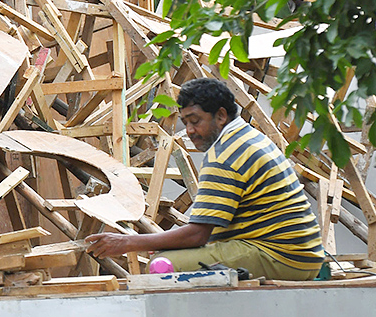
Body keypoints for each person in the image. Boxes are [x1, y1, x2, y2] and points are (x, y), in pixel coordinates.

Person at [87, 77, 323, 280]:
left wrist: (129, 242)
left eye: (195, 120)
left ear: (221, 116)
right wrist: (160, 241)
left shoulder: (225, 153)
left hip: (280, 256)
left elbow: (198, 234)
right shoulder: (249, 137)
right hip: (302, 255)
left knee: (162, 265)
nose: (189, 130)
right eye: (185, 122)